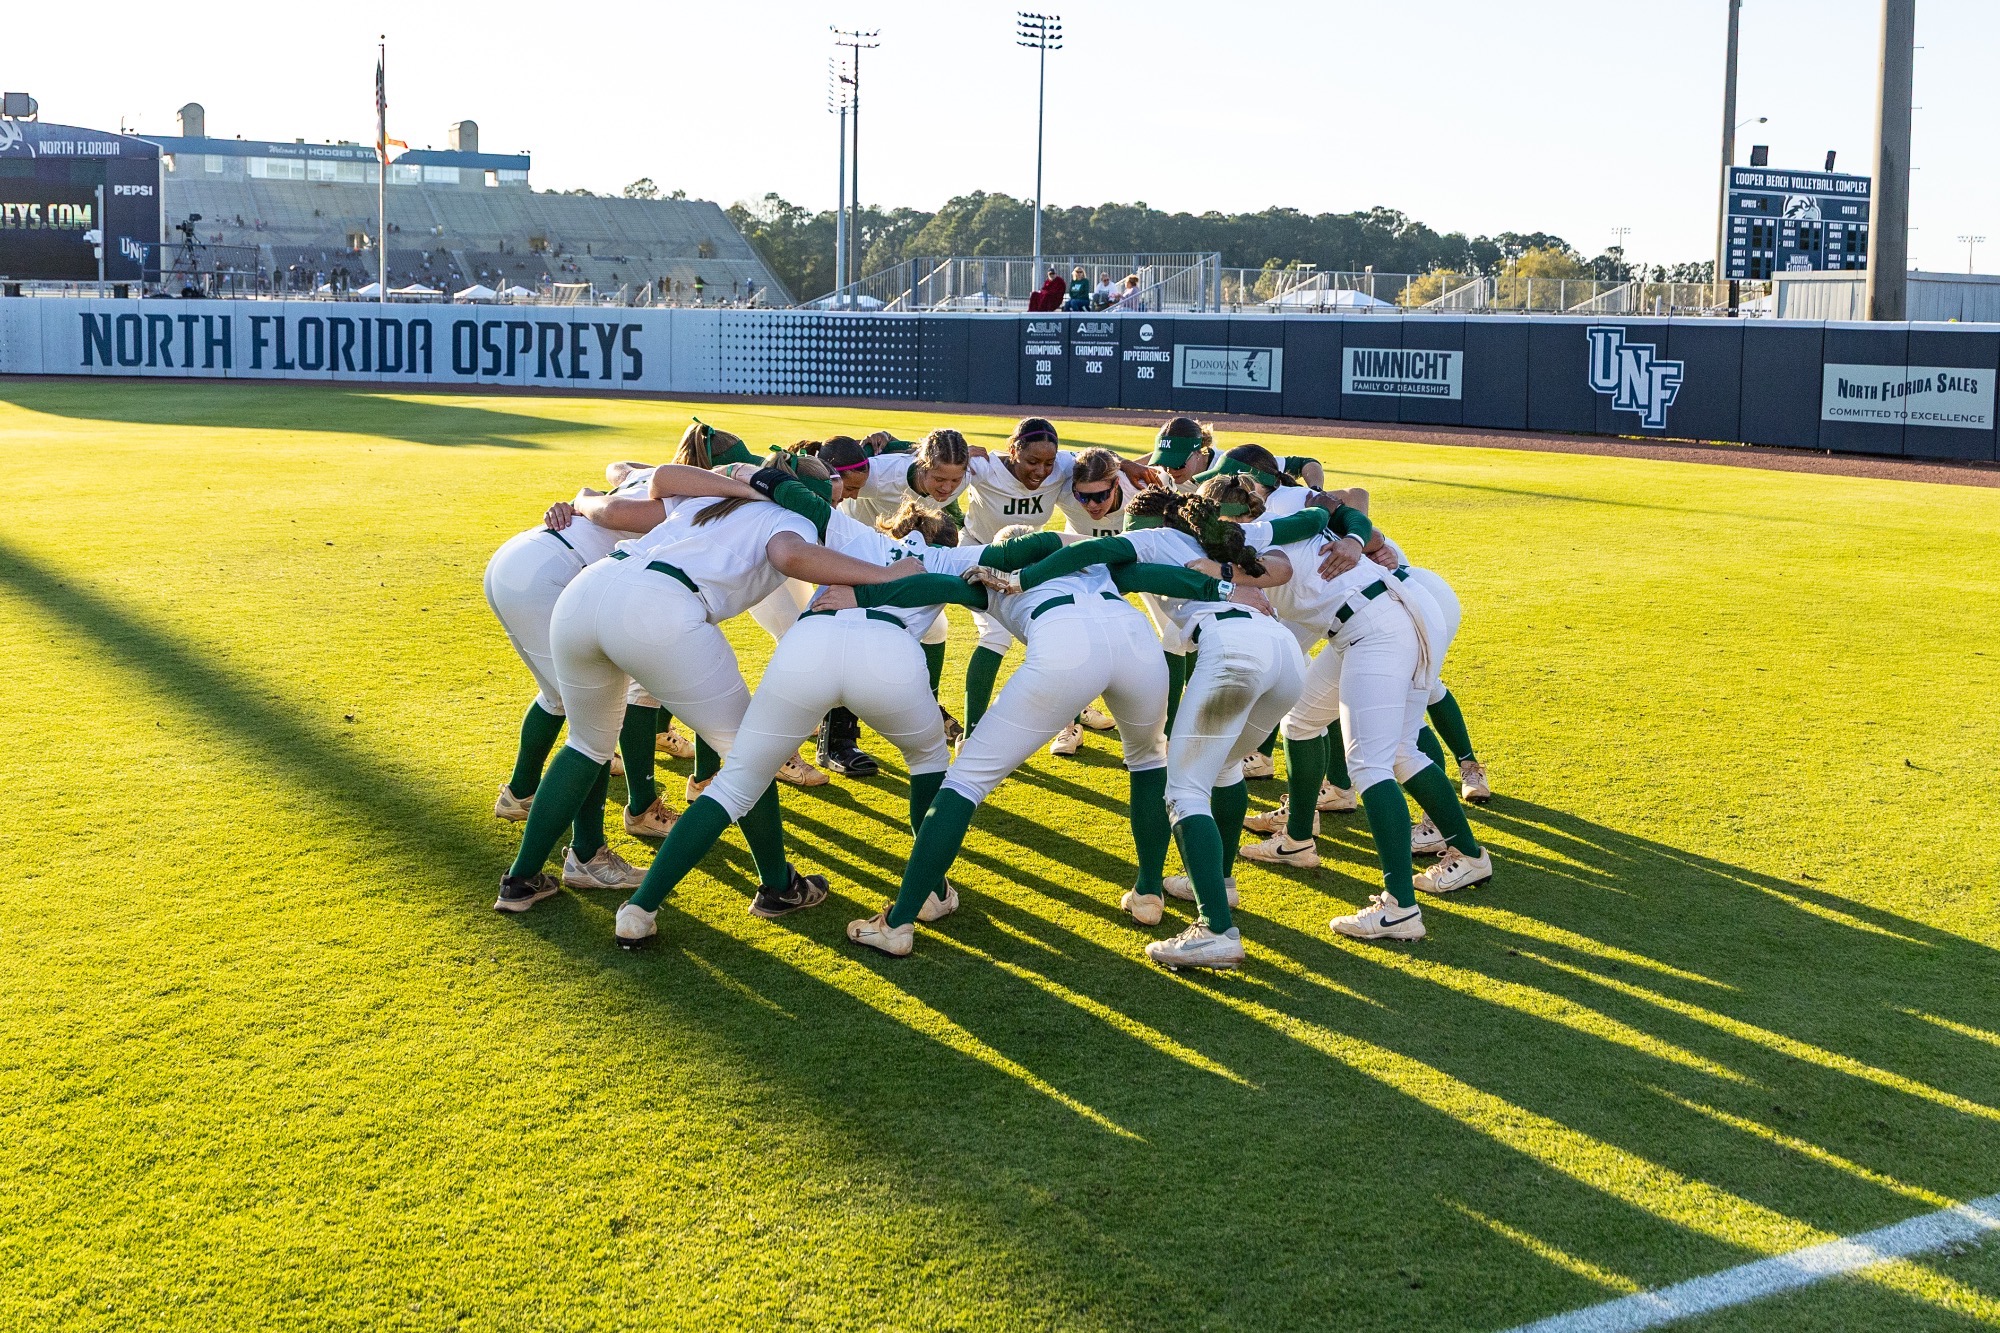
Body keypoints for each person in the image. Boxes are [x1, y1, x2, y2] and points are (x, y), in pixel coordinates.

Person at [492, 457, 924, 914]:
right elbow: (790, 556)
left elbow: (659, 478)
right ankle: (779, 886)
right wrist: (887, 575)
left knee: (586, 744)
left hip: (589, 589)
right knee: (749, 754)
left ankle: (520, 880)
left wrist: (744, 484)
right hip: (659, 607)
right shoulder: (791, 516)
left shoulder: (713, 495)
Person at [614, 501, 1050, 949]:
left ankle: (639, 910)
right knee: (929, 762)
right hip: (888, 656)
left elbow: (798, 489)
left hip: (808, 649)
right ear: (947, 539)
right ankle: (931, 893)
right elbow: (1022, 557)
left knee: (734, 784)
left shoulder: (852, 533)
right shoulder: (953, 556)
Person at [845, 527, 1229, 959]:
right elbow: (1153, 576)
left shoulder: (990, 570)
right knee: (1147, 760)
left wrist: (858, 598)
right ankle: (1147, 894)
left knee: (965, 782)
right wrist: (1223, 584)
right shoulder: (1091, 563)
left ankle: (897, 924)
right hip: (1135, 642)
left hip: (1064, 644)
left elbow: (937, 585)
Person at [988, 482, 1309, 970]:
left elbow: (1096, 547)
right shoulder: (1217, 537)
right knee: (1222, 769)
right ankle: (1220, 883)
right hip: (1284, 653)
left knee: (1182, 792)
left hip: (1234, 650)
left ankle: (1217, 930)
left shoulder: (1152, 536)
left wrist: (1023, 578)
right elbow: (1306, 522)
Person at [1220, 487, 1492, 942]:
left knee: (1371, 763)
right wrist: (1352, 536)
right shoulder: (1280, 512)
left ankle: (1400, 909)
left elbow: (1342, 507)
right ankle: (1301, 840)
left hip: (1378, 624)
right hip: (1380, 616)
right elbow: (1338, 509)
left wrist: (1210, 571)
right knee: (1305, 720)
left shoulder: (1266, 527)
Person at [482, 462, 678, 894]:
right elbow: (611, 508)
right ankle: (587, 856)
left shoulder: (654, 475)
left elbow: (615, 470)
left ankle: (519, 794)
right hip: (549, 574)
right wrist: (584, 501)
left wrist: (579, 498)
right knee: (594, 732)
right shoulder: (686, 500)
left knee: (557, 698)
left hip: (518, 557)